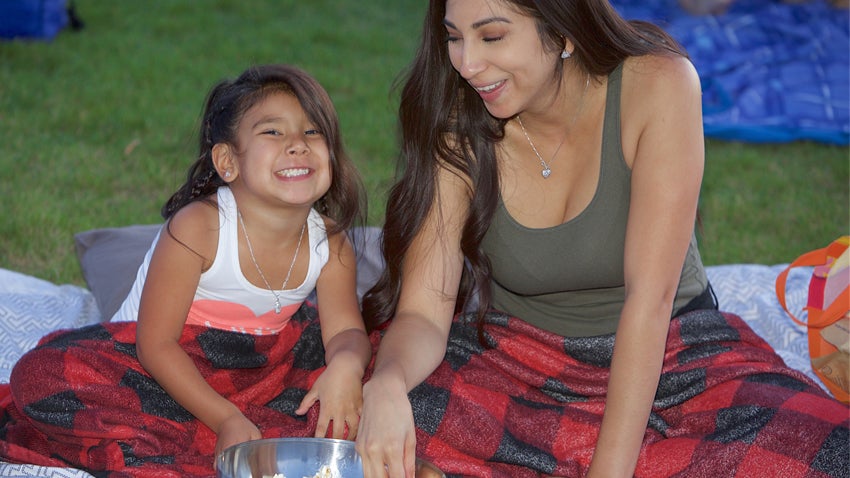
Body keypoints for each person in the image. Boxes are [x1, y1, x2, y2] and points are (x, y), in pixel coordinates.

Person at [354, 1, 850, 477]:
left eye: (492, 36)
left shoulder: (658, 83)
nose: (467, 63)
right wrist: (388, 385)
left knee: (822, 452)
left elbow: (649, 304)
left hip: (670, 357)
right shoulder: (459, 127)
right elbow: (422, 314)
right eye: (454, 37)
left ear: (562, 29)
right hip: (521, 359)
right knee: (365, 421)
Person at [0, 64, 371, 476]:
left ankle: (221, 439)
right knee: (39, 377)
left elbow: (347, 333)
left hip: (261, 372)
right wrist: (225, 418)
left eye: (312, 131)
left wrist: (345, 369)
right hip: (150, 369)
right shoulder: (199, 226)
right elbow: (155, 345)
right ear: (228, 162)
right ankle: (217, 435)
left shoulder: (330, 243)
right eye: (273, 132)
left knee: (376, 390)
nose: (298, 145)